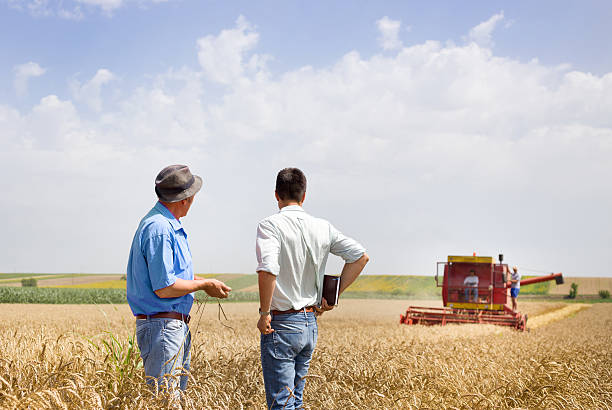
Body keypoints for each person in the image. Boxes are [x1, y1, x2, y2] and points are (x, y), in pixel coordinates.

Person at [256, 168, 369, 410]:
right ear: (304, 196)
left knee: (282, 405)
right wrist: (332, 295)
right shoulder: (323, 227)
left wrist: (264, 312)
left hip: (283, 323)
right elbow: (360, 257)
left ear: (276, 195)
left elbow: (267, 269)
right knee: (295, 403)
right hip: (310, 324)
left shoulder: (270, 225)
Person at [126, 164, 232, 393]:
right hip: (163, 327)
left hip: (167, 326)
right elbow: (165, 287)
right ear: (185, 199)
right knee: (165, 399)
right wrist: (204, 284)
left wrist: (204, 282)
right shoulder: (161, 229)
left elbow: (171, 275)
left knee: (171, 398)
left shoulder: (161, 225)